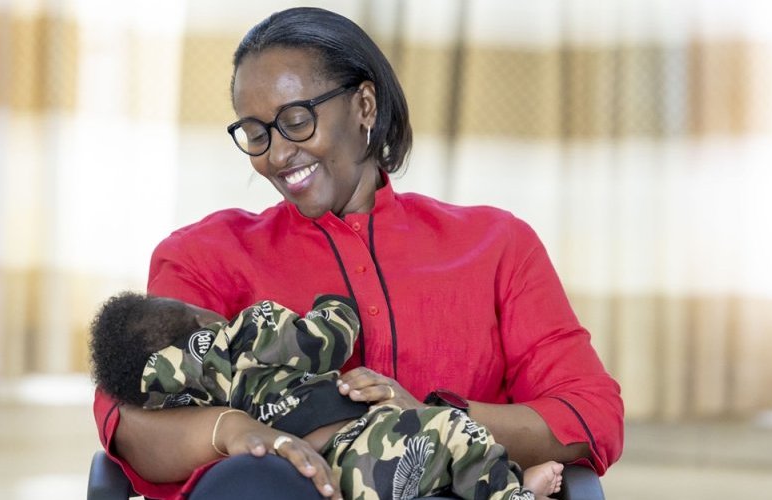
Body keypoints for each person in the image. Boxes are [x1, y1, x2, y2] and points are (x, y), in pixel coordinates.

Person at [92, 6, 624, 500]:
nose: (277, 154)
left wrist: (433, 419)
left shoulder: (497, 243)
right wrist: (234, 431)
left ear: (364, 105)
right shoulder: (203, 255)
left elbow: (591, 412)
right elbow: (130, 420)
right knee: (253, 475)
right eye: (256, 134)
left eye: (296, 120)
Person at [89, 291, 563, 499]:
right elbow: (323, 342)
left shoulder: (175, 397)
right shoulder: (246, 333)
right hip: (361, 436)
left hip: (338, 478)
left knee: (427, 463)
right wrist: (335, 307)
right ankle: (513, 493)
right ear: (200, 319)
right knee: (454, 431)